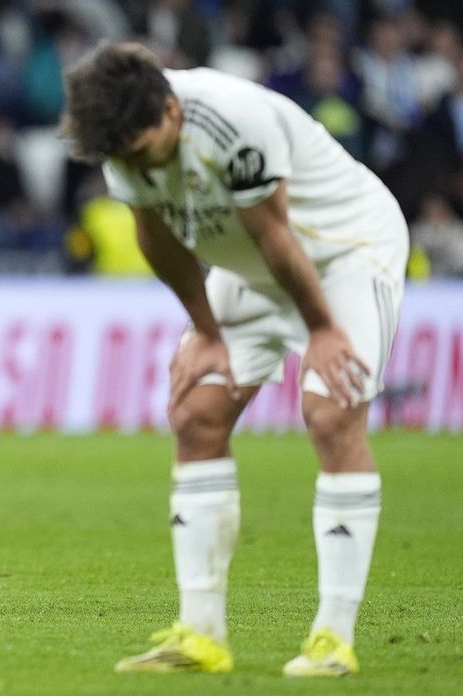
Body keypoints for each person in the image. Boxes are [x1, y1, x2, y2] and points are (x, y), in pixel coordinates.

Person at [59, 43, 408, 677]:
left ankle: (333, 639)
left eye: (142, 151)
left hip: (342, 252)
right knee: (195, 413)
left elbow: (277, 232)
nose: (133, 165)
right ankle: (201, 636)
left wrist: (323, 330)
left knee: (330, 415)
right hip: (251, 263)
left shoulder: (235, 118)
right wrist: (206, 331)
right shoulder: (123, 133)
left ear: (171, 109)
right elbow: (155, 236)